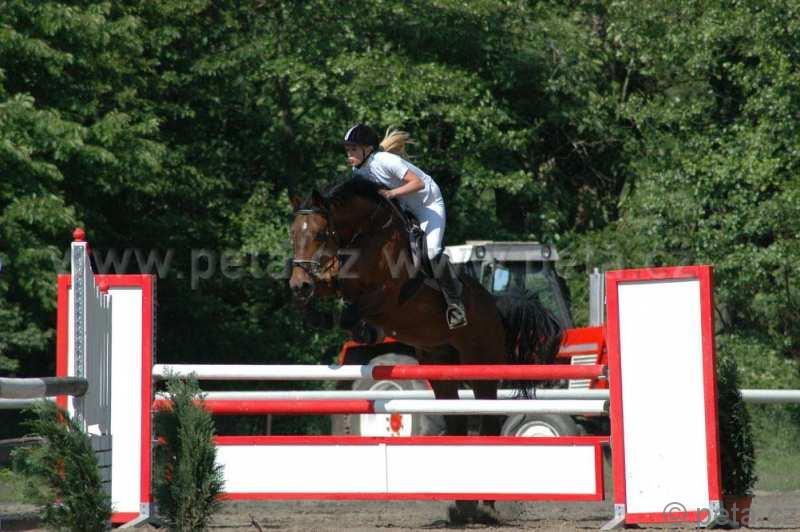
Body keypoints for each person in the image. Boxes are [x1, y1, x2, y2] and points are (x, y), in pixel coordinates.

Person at [343, 123, 467, 329]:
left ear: (367, 149)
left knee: (431, 252)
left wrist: (392, 193)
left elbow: (418, 183)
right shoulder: (359, 172)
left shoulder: (385, 160)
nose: (349, 153)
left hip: (427, 204)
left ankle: (455, 303)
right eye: (347, 149)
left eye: (353, 149)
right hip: (403, 205)